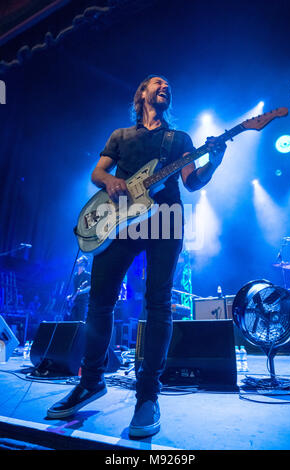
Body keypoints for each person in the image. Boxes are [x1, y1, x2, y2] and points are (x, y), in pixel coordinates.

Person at [47, 75, 226, 437]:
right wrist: (109, 182)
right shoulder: (121, 135)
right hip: (121, 219)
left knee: (158, 303)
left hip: (165, 217)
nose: (165, 86)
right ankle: (91, 381)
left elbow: (191, 182)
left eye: (168, 86)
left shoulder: (180, 140)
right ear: (141, 93)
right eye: (157, 83)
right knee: (99, 303)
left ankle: (147, 396)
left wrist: (215, 161)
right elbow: (98, 171)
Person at [65, 256, 91, 322]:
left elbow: (89, 287)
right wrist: (71, 296)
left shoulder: (87, 275)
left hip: (82, 301)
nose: (78, 260)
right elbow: (75, 289)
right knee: (71, 320)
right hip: (74, 301)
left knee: (80, 320)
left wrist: (82, 291)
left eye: (80, 260)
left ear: (84, 263)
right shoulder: (75, 275)